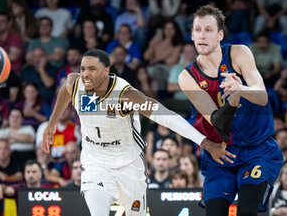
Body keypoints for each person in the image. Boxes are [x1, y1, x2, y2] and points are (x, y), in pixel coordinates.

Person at [42, 48, 234, 216]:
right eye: (83, 68)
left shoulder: (125, 95)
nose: (85, 74)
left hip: (128, 164)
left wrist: (205, 142)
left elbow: (167, 117)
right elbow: (66, 90)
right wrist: (51, 124)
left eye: (92, 69)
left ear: (106, 71)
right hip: (95, 162)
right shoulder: (76, 83)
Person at [178, 5, 283, 216]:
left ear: (220, 35)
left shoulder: (239, 53)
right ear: (191, 35)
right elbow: (218, 122)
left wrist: (240, 89)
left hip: (256, 149)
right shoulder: (187, 77)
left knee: (246, 211)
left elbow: (262, 96)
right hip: (220, 154)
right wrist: (233, 101)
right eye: (197, 30)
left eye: (208, 30)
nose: (202, 35)